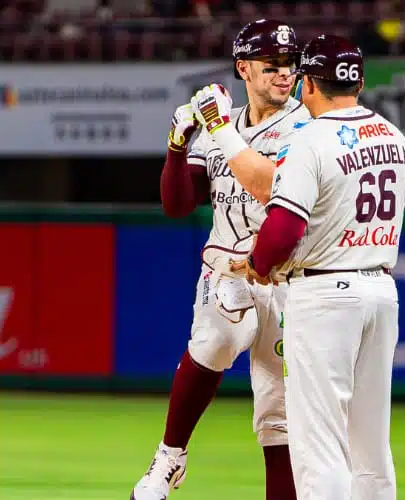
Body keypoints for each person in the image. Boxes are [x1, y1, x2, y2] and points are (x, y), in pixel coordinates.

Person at [191, 34, 405, 500]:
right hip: (381, 291)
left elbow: (285, 223)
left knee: (318, 445)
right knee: (370, 444)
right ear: (359, 82)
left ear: (309, 84)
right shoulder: (394, 137)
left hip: (325, 295)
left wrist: (257, 263)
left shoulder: (311, 138)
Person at [131, 18, 310, 500]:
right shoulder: (220, 123)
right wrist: (176, 144)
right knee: (217, 335)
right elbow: (178, 204)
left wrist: (213, 127)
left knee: (279, 416)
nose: (284, 74)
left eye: (290, 65)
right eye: (272, 65)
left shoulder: (306, 127)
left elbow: (271, 186)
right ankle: (169, 458)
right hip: (225, 263)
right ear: (244, 68)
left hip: (285, 273)